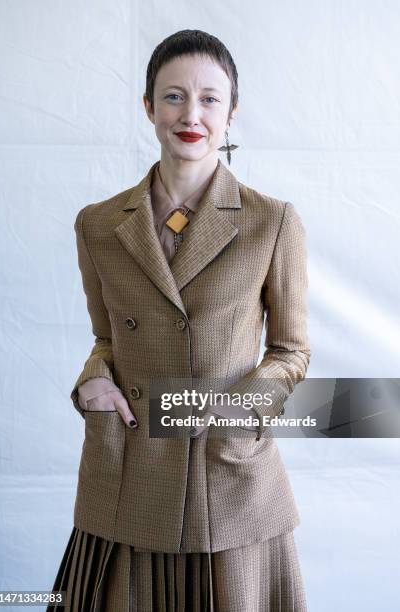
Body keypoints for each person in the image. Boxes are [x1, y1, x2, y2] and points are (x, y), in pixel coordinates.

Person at [48, 29, 310, 611]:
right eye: (173, 96)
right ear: (148, 106)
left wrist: (240, 410)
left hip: (227, 473)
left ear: (232, 112)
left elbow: (291, 351)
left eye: (210, 99)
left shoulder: (273, 222)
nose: (191, 114)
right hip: (128, 473)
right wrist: (92, 380)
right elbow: (106, 338)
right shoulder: (97, 224)